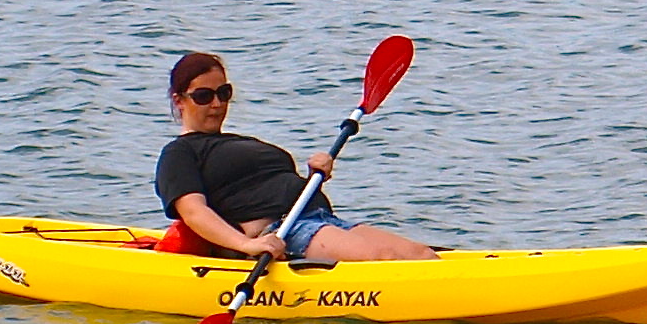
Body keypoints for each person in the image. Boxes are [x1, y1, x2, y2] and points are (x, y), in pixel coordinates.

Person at [155, 51, 437, 264]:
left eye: (223, 93)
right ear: (179, 100)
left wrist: (315, 174)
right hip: (284, 231)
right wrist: (246, 245)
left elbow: (270, 184)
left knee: (422, 255)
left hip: (321, 219)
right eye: (204, 96)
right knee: (383, 258)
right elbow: (194, 212)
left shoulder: (242, 142)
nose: (217, 104)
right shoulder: (179, 153)